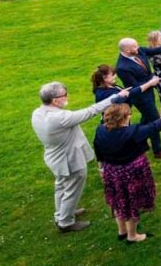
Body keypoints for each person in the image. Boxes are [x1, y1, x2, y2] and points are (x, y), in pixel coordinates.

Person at [31, 81, 127, 232]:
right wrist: (115, 97)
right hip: (69, 160)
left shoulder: (37, 113)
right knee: (72, 188)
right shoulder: (60, 117)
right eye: (64, 95)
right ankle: (65, 222)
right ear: (55, 100)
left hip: (54, 157)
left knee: (61, 186)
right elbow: (91, 111)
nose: (67, 96)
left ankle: (62, 213)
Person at [94, 101, 161, 243]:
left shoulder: (101, 130)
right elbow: (159, 123)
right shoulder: (132, 132)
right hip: (131, 173)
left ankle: (122, 231)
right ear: (124, 118)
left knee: (118, 200)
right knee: (131, 202)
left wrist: (101, 167)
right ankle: (132, 236)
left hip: (111, 171)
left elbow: (98, 149)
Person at [91, 64, 157, 107]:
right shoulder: (106, 93)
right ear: (104, 78)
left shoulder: (108, 86)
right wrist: (149, 83)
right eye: (113, 75)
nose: (115, 76)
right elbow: (130, 94)